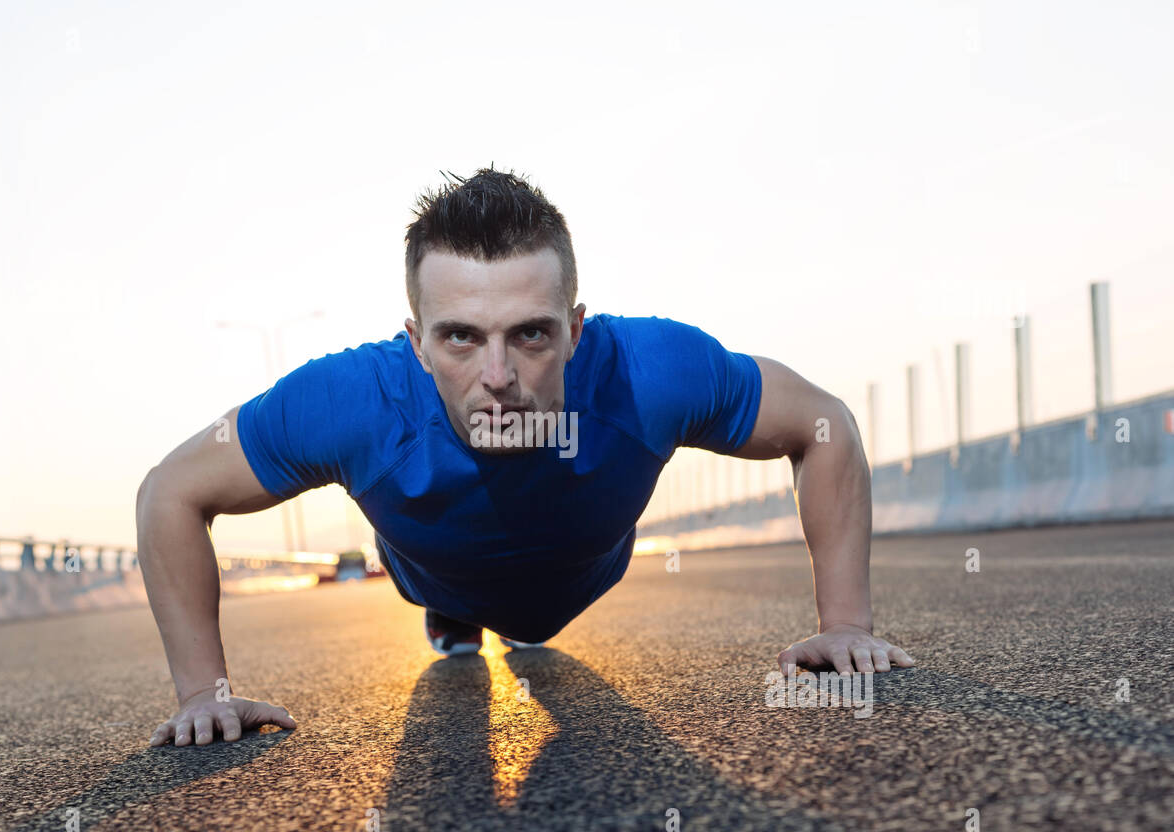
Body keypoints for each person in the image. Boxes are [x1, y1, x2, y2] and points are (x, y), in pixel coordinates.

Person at [136, 167, 915, 747]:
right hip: (429, 566)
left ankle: (491, 616)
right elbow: (170, 491)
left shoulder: (654, 373)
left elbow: (823, 423)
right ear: (416, 342)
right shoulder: (349, 402)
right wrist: (204, 692)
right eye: (461, 337)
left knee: (535, 627)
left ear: (576, 328)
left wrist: (844, 622)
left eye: (531, 334)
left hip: (580, 571)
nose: (499, 377)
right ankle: (457, 614)